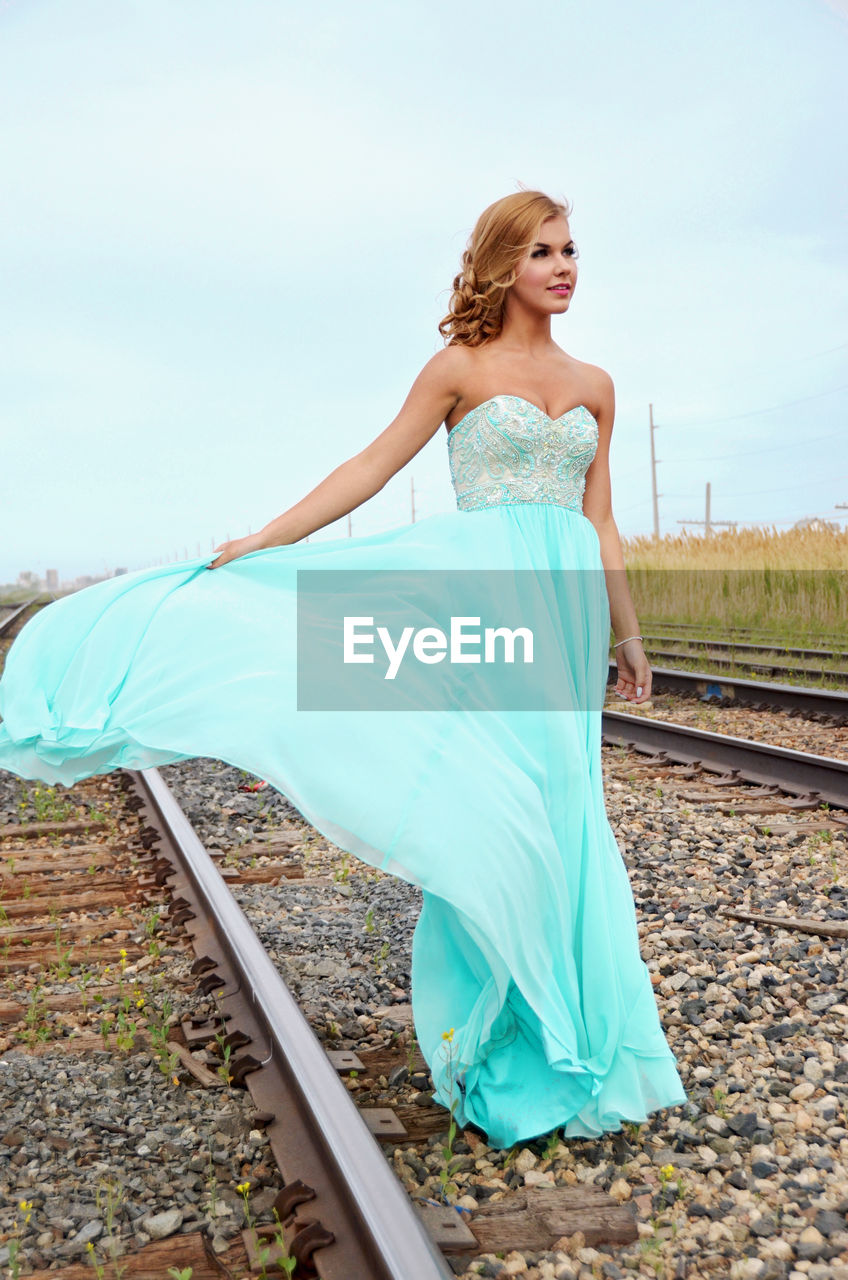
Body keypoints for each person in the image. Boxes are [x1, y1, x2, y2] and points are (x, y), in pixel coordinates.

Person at [0, 188, 687, 1148]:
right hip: (480, 605)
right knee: (500, 806)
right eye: (542, 252)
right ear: (502, 266)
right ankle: (503, 1021)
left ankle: (576, 1031)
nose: (564, 267)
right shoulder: (458, 368)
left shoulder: (600, 384)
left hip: (565, 613)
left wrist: (628, 635)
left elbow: (601, 519)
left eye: (571, 250)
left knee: (567, 807)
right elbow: (370, 467)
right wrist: (266, 539)